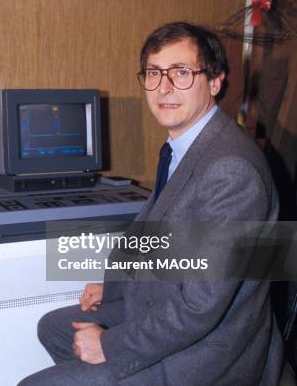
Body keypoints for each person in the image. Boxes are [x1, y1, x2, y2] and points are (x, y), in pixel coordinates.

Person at [18, 21, 284, 385]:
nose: (164, 87)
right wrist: (113, 286)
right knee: (54, 328)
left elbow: (199, 308)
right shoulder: (185, 146)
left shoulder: (230, 169)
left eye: (182, 73)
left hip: (209, 352)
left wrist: (108, 345)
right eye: (154, 73)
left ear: (216, 81)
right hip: (171, 305)